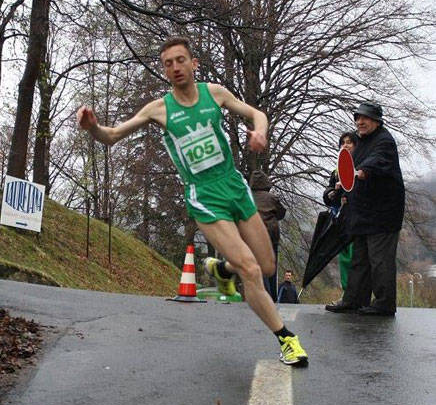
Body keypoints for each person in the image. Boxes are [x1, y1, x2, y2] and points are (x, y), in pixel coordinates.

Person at [77, 36, 308, 366]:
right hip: (204, 196)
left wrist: (260, 132)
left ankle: (223, 270)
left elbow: (257, 114)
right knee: (252, 270)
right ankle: (287, 339)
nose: (175, 67)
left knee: (267, 265)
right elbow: (112, 136)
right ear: (165, 70)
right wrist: (93, 127)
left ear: (193, 63)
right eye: (168, 63)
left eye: (180, 60)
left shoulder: (215, 93)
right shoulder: (159, 109)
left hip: (235, 186)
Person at [326, 102, 405, 316]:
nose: (360, 122)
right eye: (357, 118)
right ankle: (354, 300)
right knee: (359, 260)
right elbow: (348, 170)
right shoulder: (360, 142)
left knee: (380, 261)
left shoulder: (384, 141)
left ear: (377, 121)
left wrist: (362, 171)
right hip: (361, 213)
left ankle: (384, 304)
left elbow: (376, 162)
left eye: (365, 118)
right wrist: (340, 187)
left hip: (383, 214)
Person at [323, 132, 358, 308]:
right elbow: (328, 195)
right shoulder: (336, 171)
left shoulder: (362, 166)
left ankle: (359, 296)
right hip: (342, 219)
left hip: (359, 220)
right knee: (345, 257)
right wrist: (333, 192)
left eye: (350, 142)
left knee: (358, 259)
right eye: (343, 143)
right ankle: (347, 295)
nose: (346, 145)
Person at [249, 170, 286, 302]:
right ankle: (272, 296)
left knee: (256, 265)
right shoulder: (272, 198)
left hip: (253, 234)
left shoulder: (246, 197)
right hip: (271, 235)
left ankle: (261, 295)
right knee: (271, 266)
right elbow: (282, 213)